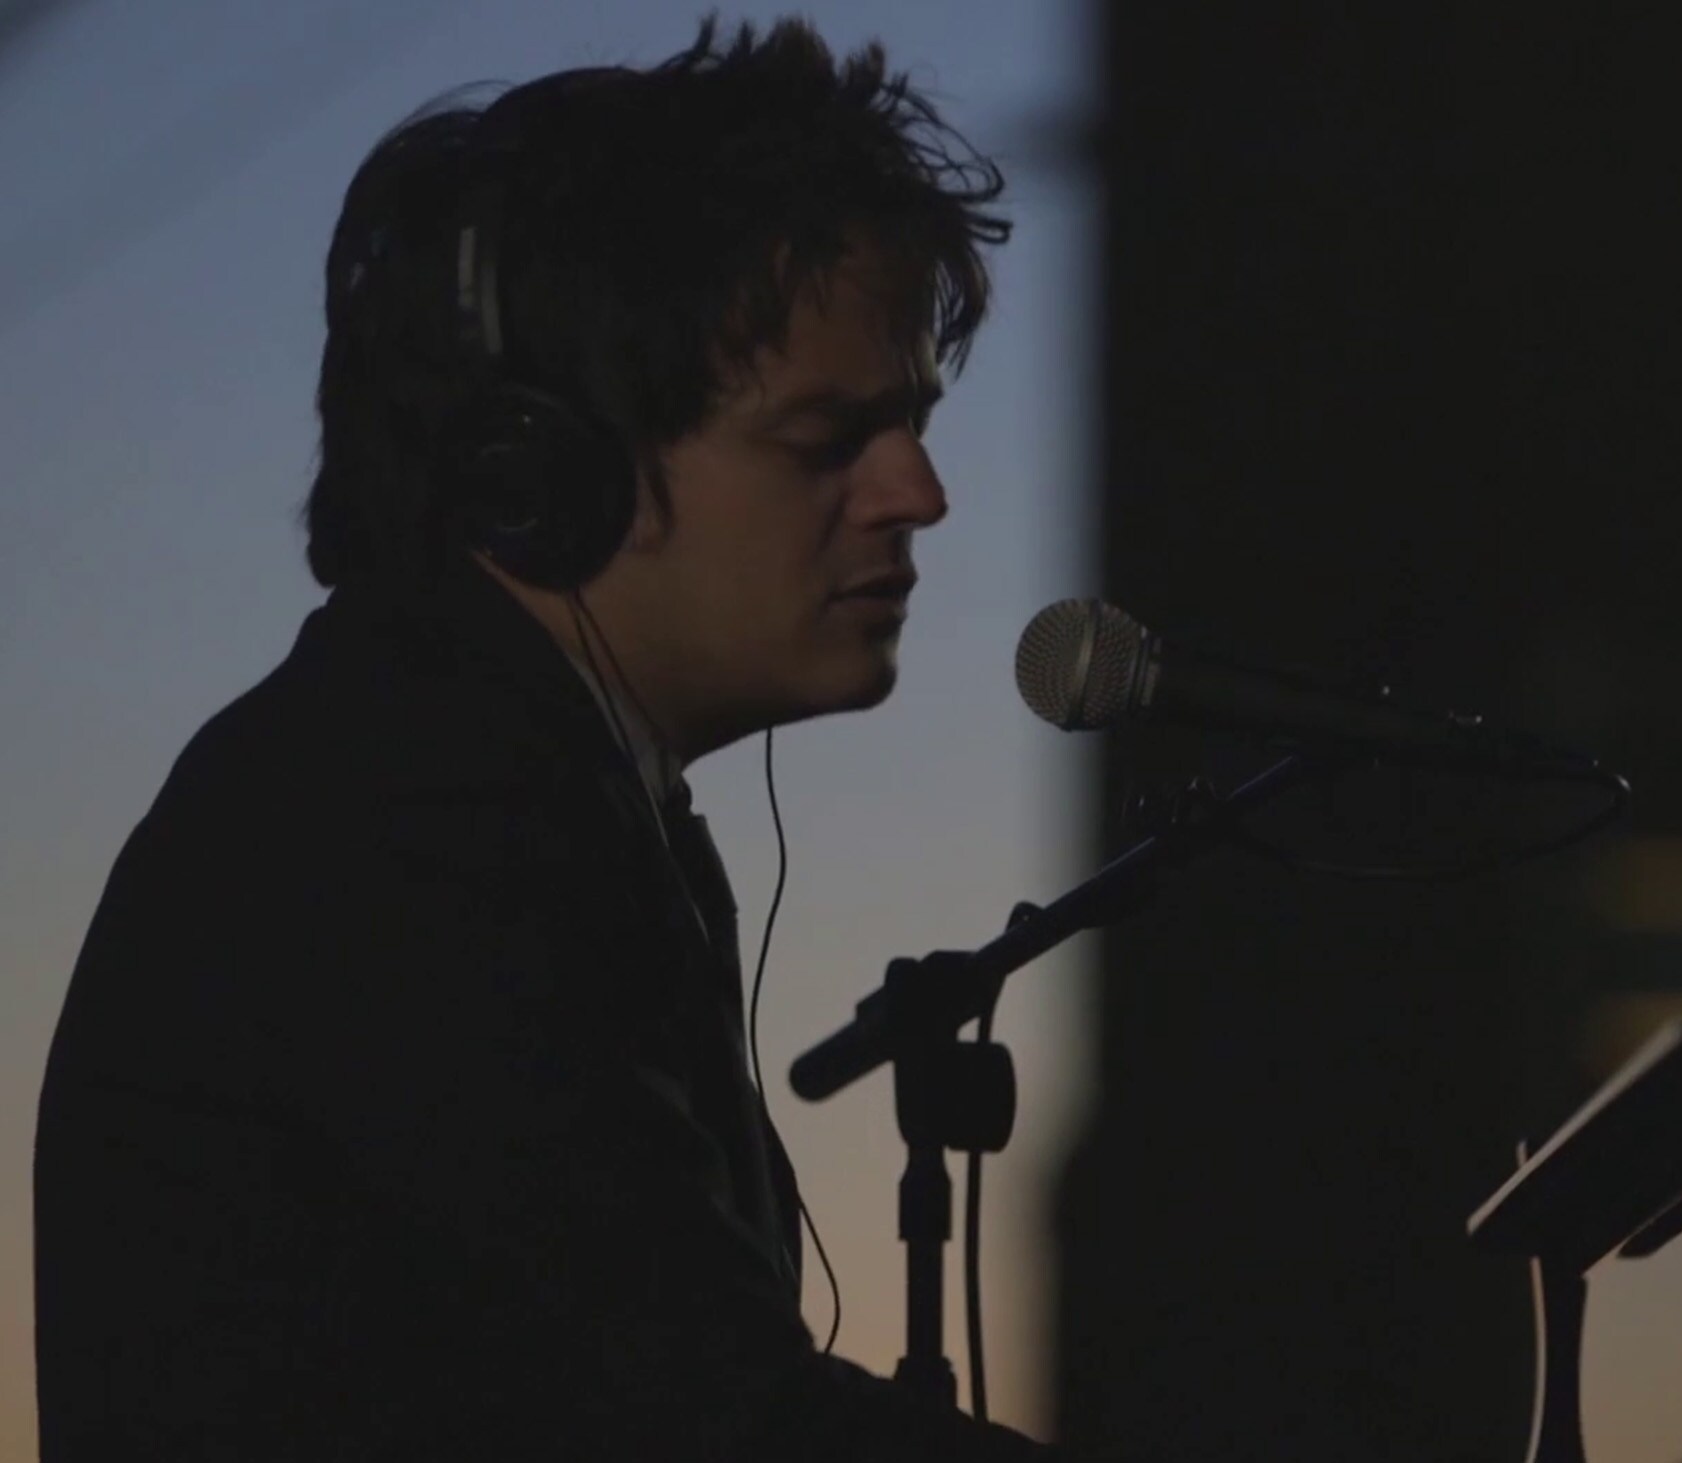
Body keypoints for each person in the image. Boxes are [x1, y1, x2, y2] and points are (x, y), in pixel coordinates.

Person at [33, 16, 1052, 1461]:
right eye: (829, 437)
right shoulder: (395, 824)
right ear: (542, 476)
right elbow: (708, 1421)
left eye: (913, 425)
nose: (918, 493)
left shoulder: (503, 786)